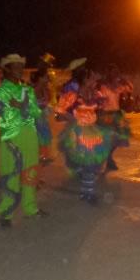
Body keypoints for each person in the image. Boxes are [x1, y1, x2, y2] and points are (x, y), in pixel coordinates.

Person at [0, 54, 47, 227]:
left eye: (22, 67)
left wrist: (38, 107)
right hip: (11, 136)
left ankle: (30, 207)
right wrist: (13, 106)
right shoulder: (1, 90)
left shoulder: (27, 89)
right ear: (7, 68)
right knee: (11, 173)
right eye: (16, 66)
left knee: (30, 171)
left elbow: (35, 112)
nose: (20, 70)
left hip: (29, 134)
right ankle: (6, 212)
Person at [57, 67, 110, 204]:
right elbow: (59, 110)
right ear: (85, 79)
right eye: (92, 77)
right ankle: (88, 193)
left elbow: (101, 109)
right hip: (79, 133)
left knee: (91, 165)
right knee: (89, 165)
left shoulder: (95, 94)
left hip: (93, 132)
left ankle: (86, 191)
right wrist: (75, 120)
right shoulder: (73, 94)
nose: (95, 80)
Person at [96, 64, 133, 171]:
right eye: (114, 72)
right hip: (106, 115)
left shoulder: (118, 85)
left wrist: (124, 80)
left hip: (117, 114)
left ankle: (108, 157)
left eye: (117, 72)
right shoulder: (103, 86)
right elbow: (100, 100)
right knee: (107, 139)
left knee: (119, 138)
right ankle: (107, 159)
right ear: (109, 74)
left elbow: (130, 88)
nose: (116, 74)